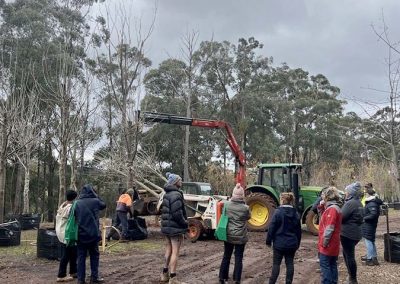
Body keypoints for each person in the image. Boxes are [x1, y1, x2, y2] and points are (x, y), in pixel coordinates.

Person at [73, 184, 106, 284]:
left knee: (81, 257)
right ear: (91, 192)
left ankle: (80, 280)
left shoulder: (77, 203)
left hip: (81, 234)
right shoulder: (95, 201)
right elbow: (104, 205)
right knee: (94, 255)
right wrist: (96, 195)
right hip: (93, 234)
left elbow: (74, 216)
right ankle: (94, 277)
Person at [266, 192, 301, 284]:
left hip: (279, 244)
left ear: (282, 200)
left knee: (276, 264)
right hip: (292, 243)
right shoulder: (296, 213)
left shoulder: (278, 212)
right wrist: (297, 243)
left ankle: (272, 282)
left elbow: (272, 227)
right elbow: (298, 231)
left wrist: (268, 241)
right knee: (289, 264)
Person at [219, 184, 251, 284]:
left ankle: (222, 278)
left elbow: (223, 214)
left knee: (226, 256)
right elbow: (248, 217)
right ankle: (237, 279)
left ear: (233, 194)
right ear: (242, 195)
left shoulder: (227, 205)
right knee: (238, 257)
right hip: (240, 236)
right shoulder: (246, 208)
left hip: (228, 234)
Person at [160, 173, 188, 284]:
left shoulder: (167, 194)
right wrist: (185, 223)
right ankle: (173, 277)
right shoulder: (176, 195)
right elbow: (177, 214)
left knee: (168, 250)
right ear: (175, 182)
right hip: (175, 228)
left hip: (167, 227)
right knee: (175, 252)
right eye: (179, 180)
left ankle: (164, 274)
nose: (181, 181)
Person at [340, 182, 364, 284]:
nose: (345, 193)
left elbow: (341, 217)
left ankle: (353, 279)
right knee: (347, 254)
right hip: (355, 233)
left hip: (348, 234)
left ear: (350, 193)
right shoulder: (358, 202)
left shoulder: (350, 203)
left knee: (349, 256)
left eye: (346, 191)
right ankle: (351, 277)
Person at [318, 187, 342, 284]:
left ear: (328, 196)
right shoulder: (333, 208)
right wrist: (321, 207)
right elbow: (323, 220)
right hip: (333, 243)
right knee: (332, 264)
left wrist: (324, 242)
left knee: (325, 265)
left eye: (323, 195)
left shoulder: (332, 210)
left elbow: (329, 228)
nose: (322, 196)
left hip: (329, 244)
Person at [55, 189, 78, 282]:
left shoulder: (63, 205)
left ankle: (73, 271)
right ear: (75, 198)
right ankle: (61, 275)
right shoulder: (70, 208)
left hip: (60, 231)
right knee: (66, 254)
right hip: (66, 233)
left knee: (73, 252)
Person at [361, 183, 382, 266]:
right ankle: (374, 258)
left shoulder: (372, 203)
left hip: (369, 225)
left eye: (366, 194)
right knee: (371, 241)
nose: (365, 195)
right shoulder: (371, 202)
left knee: (368, 241)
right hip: (369, 225)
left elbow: (373, 214)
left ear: (369, 195)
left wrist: (364, 218)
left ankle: (369, 260)